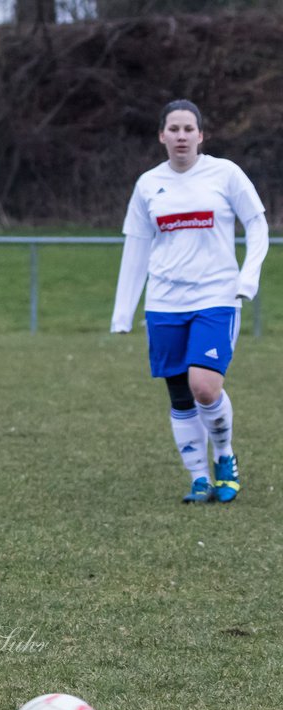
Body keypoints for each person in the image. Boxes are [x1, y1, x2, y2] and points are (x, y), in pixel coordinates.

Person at [111, 99, 268, 504]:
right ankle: (199, 478)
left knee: (204, 386)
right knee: (180, 394)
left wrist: (247, 278)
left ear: (202, 135)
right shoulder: (148, 184)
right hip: (164, 303)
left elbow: (256, 222)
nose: (181, 136)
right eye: (174, 129)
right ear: (162, 135)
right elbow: (137, 247)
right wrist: (123, 312)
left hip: (216, 296)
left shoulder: (225, 173)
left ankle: (224, 456)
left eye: (188, 129)